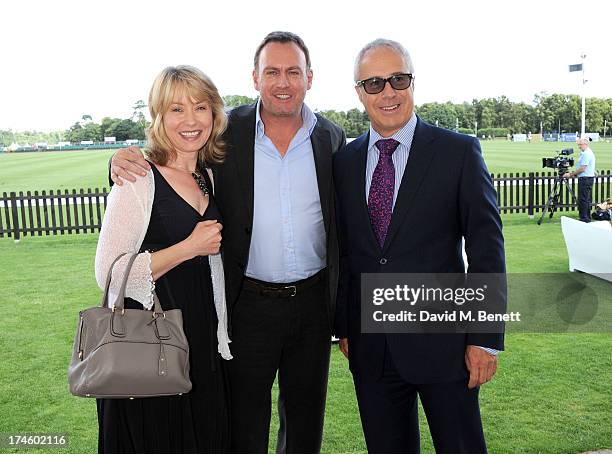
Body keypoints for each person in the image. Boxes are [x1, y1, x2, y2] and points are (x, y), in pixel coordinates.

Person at [109, 32, 345, 454]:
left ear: (310, 77)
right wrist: (115, 165)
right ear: (255, 78)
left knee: (306, 424)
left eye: (293, 71)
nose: (283, 81)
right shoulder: (225, 133)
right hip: (246, 305)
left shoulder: (331, 137)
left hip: (312, 306)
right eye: (272, 71)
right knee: (243, 427)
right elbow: (160, 173)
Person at [333, 39, 506, 454]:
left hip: (445, 345)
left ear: (413, 83)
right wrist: (344, 325)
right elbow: (344, 251)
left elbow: (487, 249)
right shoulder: (345, 161)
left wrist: (484, 338)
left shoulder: (458, 151)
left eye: (398, 79)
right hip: (372, 350)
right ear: (359, 92)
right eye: (374, 83)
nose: (388, 92)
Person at [95, 65, 232, 454]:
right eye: (176, 110)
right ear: (158, 117)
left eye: (200, 107)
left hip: (202, 340)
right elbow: (107, 271)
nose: (190, 120)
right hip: (149, 345)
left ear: (214, 114)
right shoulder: (138, 178)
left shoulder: (209, 175)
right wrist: (187, 247)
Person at [564, 137, 596, 222]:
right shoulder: (587, 152)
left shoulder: (586, 154)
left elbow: (582, 168)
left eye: (580, 144)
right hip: (586, 178)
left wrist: (571, 174)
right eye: (578, 144)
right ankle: (586, 217)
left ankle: (584, 218)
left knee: (583, 199)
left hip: (585, 179)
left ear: (586, 144)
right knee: (586, 199)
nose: (579, 146)